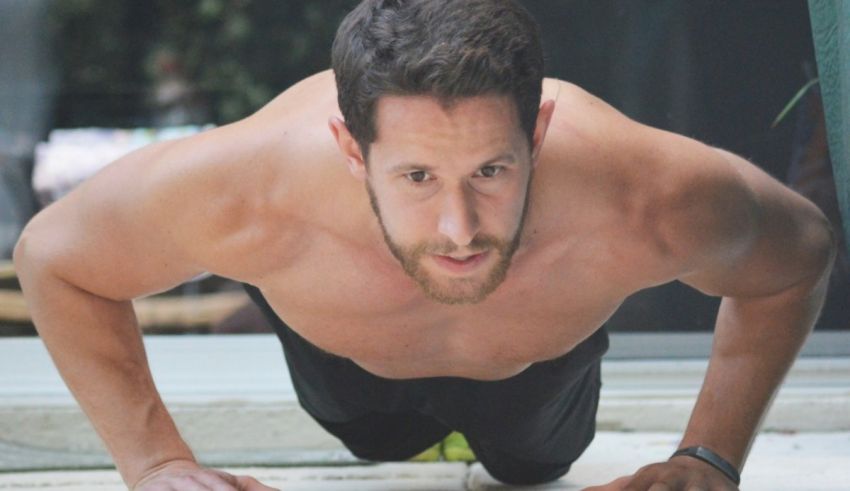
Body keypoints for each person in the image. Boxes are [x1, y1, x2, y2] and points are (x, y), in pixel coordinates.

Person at [13, 1, 836, 490]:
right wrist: (153, 461)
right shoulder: (249, 190)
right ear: (350, 149)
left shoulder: (646, 198)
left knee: (531, 468)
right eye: (415, 177)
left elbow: (798, 255)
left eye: (491, 168)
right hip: (344, 369)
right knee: (375, 437)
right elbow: (55, 257)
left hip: (538, 377)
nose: (458, 227)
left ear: (539, 129)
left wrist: (710, 454)